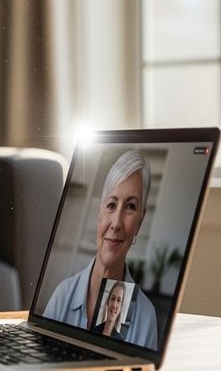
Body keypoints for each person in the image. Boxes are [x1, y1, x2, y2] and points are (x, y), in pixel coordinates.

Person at [43, 149, 158, 350]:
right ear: (100, 214)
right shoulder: (63, 293)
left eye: (130, 207)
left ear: (140, 222)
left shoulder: (146, 317)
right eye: (111, 205)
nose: (115, 224)